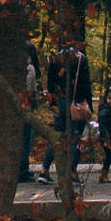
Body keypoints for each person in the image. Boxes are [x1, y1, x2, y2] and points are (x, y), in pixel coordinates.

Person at [38, 38, 93, 184]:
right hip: (76, 102)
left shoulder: (55, 59)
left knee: (57, 136)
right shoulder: (81, 59)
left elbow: (50, 84)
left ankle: (44, 170)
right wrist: (90, 106)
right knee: (75, 137)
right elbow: (86, 84)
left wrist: (54, 102)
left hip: (60, 101)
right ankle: (72, 172)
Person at [18, 42, 40, 183]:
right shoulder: (30, 69)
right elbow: (30, 91)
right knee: (26, 140)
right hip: (25, 109)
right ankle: (22, 170)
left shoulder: (13, 68)